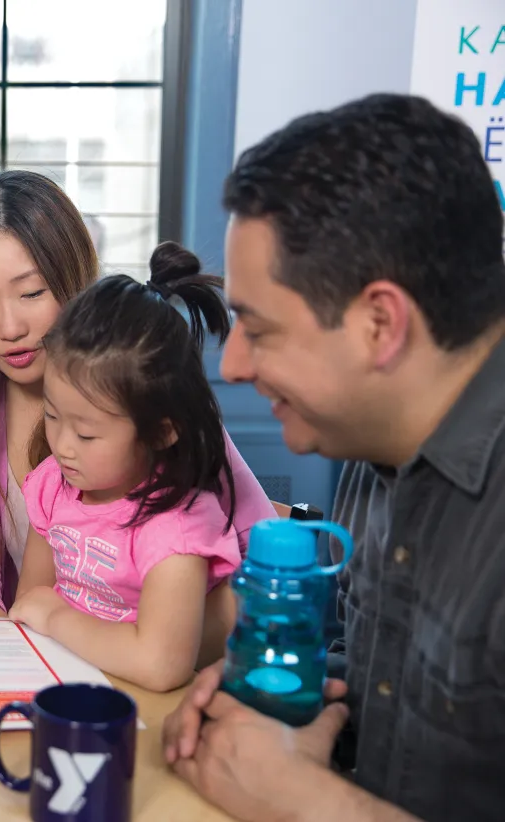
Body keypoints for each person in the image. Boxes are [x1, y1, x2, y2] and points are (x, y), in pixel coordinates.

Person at [162, 94, 505, 822]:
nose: (236, 364)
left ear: (379, 324)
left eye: (258, 327)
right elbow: (372, 664)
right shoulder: (367, 436)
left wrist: (308, 803)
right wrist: (266, 687)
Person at [0, 170, 276, 665]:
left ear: (73, 280)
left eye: (32, 293)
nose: (10, 327)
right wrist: (5, 655)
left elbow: (265, 570)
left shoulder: (149, 408)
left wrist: (150, 646)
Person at [9, 244, 242, 692]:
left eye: (88, 434)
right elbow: (28, 603)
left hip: (148, 707)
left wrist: (57, 617)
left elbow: (160, 665)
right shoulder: (54, 487)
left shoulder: (174, 527)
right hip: (68, 683)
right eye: (53, 417)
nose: (62, 447)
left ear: (161, 432)